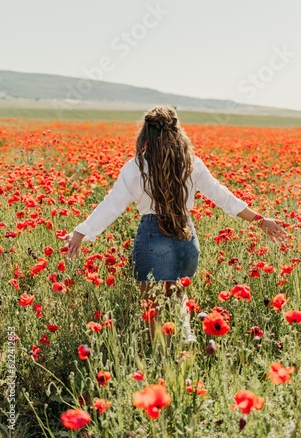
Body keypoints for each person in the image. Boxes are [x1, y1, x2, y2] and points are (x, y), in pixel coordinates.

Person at [60, 106, 287, 342]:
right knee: (179, 295)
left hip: (152, 239)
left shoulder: (136, 167)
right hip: (185, 239)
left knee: (153, 309)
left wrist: (81, 233)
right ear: (178, 132)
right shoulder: (192, 164)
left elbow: (111, 206)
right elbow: (224, 198)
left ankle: (163, 356)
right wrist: (261, 221)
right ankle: (186, 339)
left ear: (145, 135)